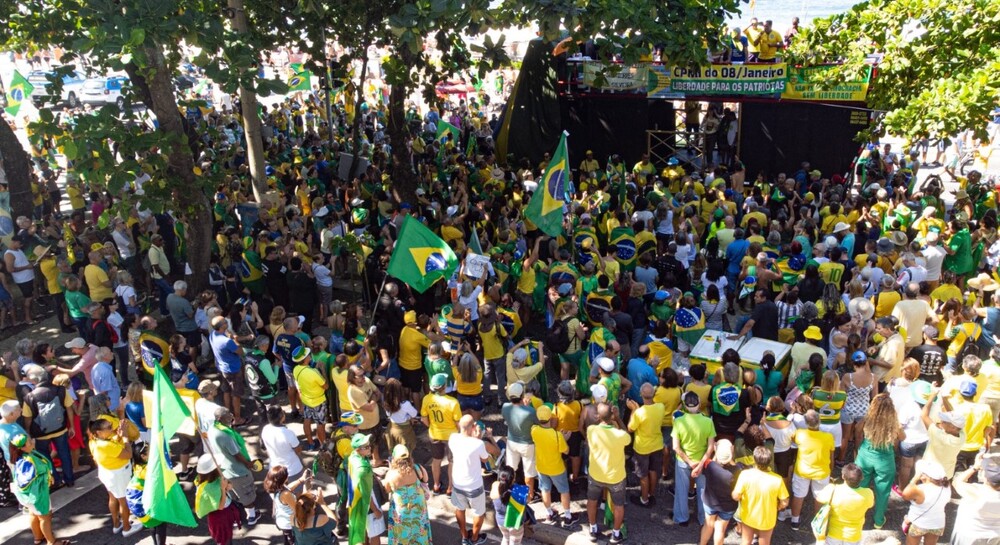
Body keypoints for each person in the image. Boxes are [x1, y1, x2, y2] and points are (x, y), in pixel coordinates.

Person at [8, 433, 70, 545]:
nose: (32, 442)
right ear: (22, 448)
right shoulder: (27, 461)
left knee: (33, 514)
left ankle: (38, 538)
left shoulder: (23, 456)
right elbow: (27, 481)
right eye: (29, 442)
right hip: (37, 495)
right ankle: (51, 542)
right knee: (45, 517)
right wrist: (46, 477)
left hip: (28, 497)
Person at [448, 415, 500, 545]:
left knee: (460, 509)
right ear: (472, 427)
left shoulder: (452, 438)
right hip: (474, 485)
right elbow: (484, 459)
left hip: (458, 483)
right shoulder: (478, 443)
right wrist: (477, 438)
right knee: (479, 512)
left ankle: (464, 536)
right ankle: (475, 538)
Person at [21, 365, 75, 488]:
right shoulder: (61, 390)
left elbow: (28, 417)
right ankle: (69, 479)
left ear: (34, 380)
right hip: (60, 428)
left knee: (45, 456)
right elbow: (69, 408)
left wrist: (28, 432)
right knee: (64, 454)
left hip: (40, 433)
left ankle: (55, 479)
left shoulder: (29, 397)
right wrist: (71, 426)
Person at [854, 393, 903, 529]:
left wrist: (858, 448)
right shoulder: (894, 423)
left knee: (859, 487)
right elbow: (903, 437)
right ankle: (878, 521)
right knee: (883, 491)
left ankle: (858, 515)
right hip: (885, 459)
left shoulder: (867, 419)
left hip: (865, 455)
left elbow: (858, 430)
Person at [207, 407, 261, 525]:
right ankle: (252, 515)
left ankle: (238, 517)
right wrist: (248, 464)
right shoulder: (225, 436)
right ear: (220, 418)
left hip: (225, 470)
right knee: (247, 494)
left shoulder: (212, 428)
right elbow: (236, 454)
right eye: (228, 415)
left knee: (233, 495)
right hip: (238, 471)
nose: (231, 415)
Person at [88, 416, 141, 536]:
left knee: (113, 498)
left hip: (107, 473)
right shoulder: (106, 446)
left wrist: (120, 435)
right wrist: (126, 438)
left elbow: (113, 444)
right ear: (99, 432)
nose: (112, 429)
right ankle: (127, 528)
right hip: (118, 474)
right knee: (124, 501)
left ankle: (117, 524)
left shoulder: (94, 441)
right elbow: (128, 454)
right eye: (109, 427)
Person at [586, 402, 630, 543]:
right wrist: (618, 419)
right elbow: (628, 437)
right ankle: (616, 534)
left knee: (592, 501)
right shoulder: (619, 434)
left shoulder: (591, 430)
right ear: (612, 415)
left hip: (596, 474)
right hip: (615, 477)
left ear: (598, 416)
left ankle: (593, 529)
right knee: (618, 505)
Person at [673, 390, 716, 527]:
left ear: (685, 405)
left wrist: (689, 462)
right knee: (703, 491)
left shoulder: (679, 421)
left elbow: (676, 447)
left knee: (681, 490)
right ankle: (703, 519)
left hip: (683, 462)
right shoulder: (708, 421)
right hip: (701, 462)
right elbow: (710, 447)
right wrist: (700, 463)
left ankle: (682, 518)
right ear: (699, 404)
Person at [785, 410, 834, 530]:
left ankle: (795, 521)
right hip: (822, 471)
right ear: (819, 422)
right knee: (820, 497)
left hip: (802, 470)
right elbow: (832, 456)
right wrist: (830, 470)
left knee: (798, 495)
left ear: (806, 422)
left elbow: (790, 437)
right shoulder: (828, 437)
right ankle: (818, 522)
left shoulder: (800, 433)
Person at [531, 404, 578, 527]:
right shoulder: (557, 435)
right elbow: (566, 450)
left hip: (541, 467)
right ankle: (567, 516)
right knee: (564, 491)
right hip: (556, 468)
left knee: (545, 490)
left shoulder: (534, 430)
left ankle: (549, 513)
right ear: (550, 418)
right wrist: (564, 438)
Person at [731, 447, 789, 545]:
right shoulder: (777, 479)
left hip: (748, 515)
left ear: (754, 459)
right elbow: (784, 502)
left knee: (746, 541)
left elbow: (736, 496)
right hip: (767, 518)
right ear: (769, 461)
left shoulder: (745, 475)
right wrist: (778, 507)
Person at [382, 444, 432, 545]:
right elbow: (425, 480)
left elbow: (386, 490)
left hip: (401, 511)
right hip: (419, 507)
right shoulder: (418, 468)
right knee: (419, 529)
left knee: (402, 534)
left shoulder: (391, 474)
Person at [814, 463, 874, 545]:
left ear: (843, 476)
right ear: (862, 478)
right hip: (854, 536)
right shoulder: (868, 493)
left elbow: (819, 499)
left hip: (833, 534)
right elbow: (871, 504)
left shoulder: (832, 489)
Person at [421, 373, 461, 494]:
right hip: (451, 436)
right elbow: (458, 422)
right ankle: (450, 488)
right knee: (452, 462)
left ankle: (436, 485)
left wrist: (431, 426)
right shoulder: (453, 402)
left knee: (436, 460)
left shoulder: (427, 399)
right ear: (444, 386)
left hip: (435, 434)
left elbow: (424, 419)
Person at [626, 383, 665, 507]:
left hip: (642, 447)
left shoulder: (639, 412)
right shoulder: (661, 407)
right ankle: (651, 494)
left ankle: (644, 499)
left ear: (641, 394)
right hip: (657, 444)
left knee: (643, 474)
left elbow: (630, 428)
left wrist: (633, 410)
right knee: (653, 470)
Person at [501, 381, 538, 503]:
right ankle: (529, 495)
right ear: (522, 396)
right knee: (529, 471)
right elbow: (536, 423)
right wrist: (527, 406)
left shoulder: (505, 407)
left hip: (512, 442)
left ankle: (508, 490)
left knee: (511, 469)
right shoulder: (530, 412)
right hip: (527, 444)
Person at [949, 454, 1000, 545]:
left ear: (985, 477)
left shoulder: (975, 492)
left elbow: (957, 481)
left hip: (969, 535)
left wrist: (975, 467)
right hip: (994, 536)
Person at [900, 459, 951, 545]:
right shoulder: (946, 487)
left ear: (925, 476)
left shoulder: (920, 489)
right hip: (937, 524)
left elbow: (905, 495)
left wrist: (914, 478)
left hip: (919, 524)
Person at [209, 315, 248, 426]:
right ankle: (238, 418)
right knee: (236, 393)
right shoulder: (227, 342)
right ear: (222, 326)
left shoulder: (212, 335)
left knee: (226, 391)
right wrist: (235, 340)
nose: (227, 322)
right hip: (233, 369)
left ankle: (227, 413)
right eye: (225, 322)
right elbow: (240, 351)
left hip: (222, 368)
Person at [699, 439, 738, 545]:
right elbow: (735, 466)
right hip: (728, 506)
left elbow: (710, 462)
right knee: (720, 529)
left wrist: (716, 453)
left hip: (710, 502)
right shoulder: (737, 471)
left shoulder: (710, 466)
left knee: (708, 524)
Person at [346, 433, 382, 545]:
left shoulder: (353, 456)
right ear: (357, 449)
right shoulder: (362, 470)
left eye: (369, 445)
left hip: (355, 501)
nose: (370, 448)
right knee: (375, 533)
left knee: (363, 530)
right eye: (366, 447)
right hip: (366, 505)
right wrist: (375, 510)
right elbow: (365, 493)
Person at [262, 465, 312, 545]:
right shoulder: (285, 494)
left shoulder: (277, 487)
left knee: (287, 540)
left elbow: (289, 488)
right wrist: (306, 492)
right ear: (284, 478)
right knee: (294, 541)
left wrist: (301, 479)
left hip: (282, 521)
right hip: (289, 524)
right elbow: (297, 509)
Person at [292, 346, 328, 451]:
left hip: (306, 400)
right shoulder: (313, 372)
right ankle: (323, 446)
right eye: (308, 355)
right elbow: (326, 386)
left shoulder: (296, 369)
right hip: (319, 401)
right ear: (305, 358)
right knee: (320, 425)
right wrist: (322, 371)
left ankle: (311, 443)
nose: (310, 355)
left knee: (307, 421)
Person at [261, 405, 304, 480]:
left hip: (275, 469)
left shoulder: (265, 429)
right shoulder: (288, 433)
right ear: (282, 417)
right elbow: (298, 450)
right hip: (292, 470)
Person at [490, 466, 524, 545]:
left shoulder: (495, 485)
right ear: (513, 479)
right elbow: (527, 501)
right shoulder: (520, 491)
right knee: (515, 542)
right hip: (514, 523)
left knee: (505, 538)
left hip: (500, 521)